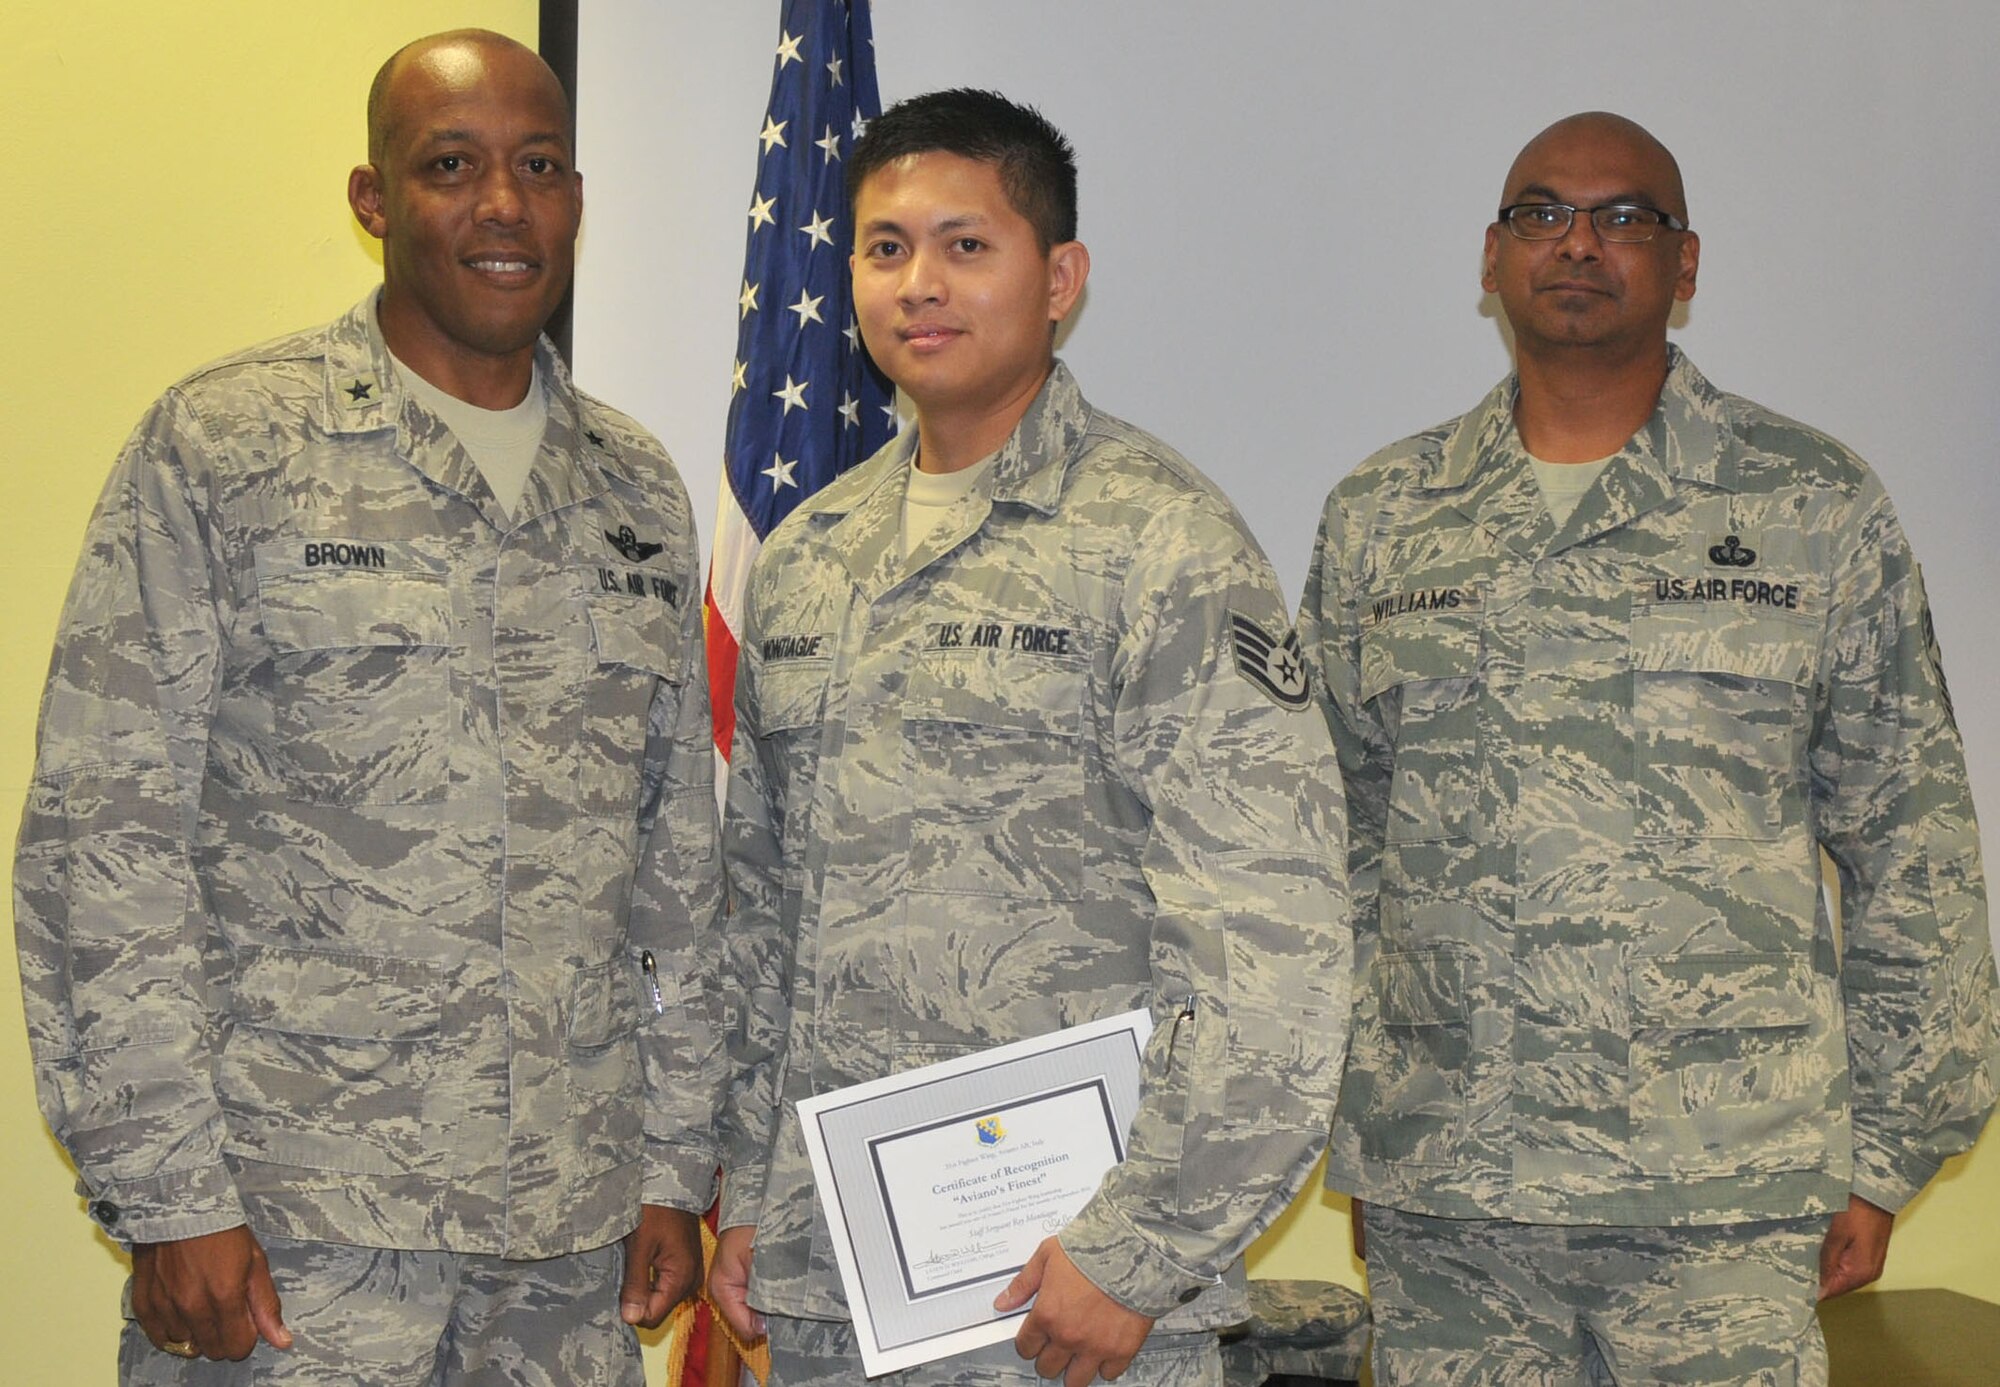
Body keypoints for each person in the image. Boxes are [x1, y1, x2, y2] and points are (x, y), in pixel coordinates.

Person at [13, 29, 722, 1385]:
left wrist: (671, 1162)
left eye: (539, 167)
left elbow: (675, 863)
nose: (503, 204)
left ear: (576, 198)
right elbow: (105, 836)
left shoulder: (633, 487)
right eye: (451, 166)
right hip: (296, 1241)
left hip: (566, 1251)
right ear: (372, 199)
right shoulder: (227, 446)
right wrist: (168, 1193)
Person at [1299, 111, 1999, 1385]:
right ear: (1490, 257)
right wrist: (1371, 1122)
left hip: (1725, 1197)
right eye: (1539, 213)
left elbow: (1913, 845)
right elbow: (1326, 847)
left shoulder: (1810, 503)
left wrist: (1886, 1151)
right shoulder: (1381, 518)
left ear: (1684, 264)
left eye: (1623, 217)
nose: (1576, 242)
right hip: (1452, 1198)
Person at [707, 89, 1351, 1387]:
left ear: (1059, 279)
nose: (919, 283)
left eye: (966, 244)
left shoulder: (1159, 542)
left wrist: (1140, 1250)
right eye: (885, 248)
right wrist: (747, 1186)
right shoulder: (812, 555)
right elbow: (765, 911)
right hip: (839, 1282)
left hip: (1078, 1299)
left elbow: (1271, 941)